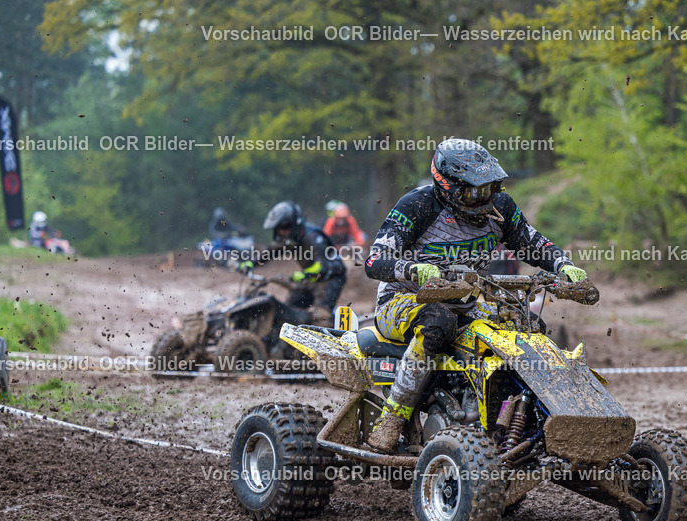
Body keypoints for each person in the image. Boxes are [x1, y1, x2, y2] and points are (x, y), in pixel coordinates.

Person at [363, 138, 588, 453]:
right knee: (438, 321)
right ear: (447, 185)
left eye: (490, 188)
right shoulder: (418, 205)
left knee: (526, 328)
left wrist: (564, 265)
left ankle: (521, 426)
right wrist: (414, 270)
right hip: (405, 301)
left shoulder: (500, 207)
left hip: (466, 305)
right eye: (474, 190)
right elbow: (374, 262)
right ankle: (392, 419)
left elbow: (532, 242)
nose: (484, 198)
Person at [237, 201, 346, 326]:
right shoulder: (289, 239)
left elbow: (322, 265)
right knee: (288, 311)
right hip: (310, 277)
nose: (282, 231)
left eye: (285, 227)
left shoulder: (313, 237)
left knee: (320, 316)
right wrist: (251, 264)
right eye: (279, 228)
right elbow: (268, 253)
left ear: (295, 224)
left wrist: (303, 274)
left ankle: (328, 340)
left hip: (331, 278)